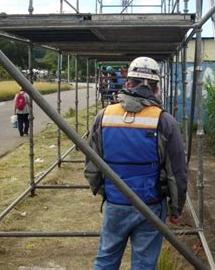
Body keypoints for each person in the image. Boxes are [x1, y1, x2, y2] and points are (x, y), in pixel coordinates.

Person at [84, 56, 187, 270]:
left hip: (115, 203)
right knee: (144, 264)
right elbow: (176, 172)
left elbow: (92, 165)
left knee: (105, 260)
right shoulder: (165, 121)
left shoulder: (103, 116)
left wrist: (104, 191)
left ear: (127, 83)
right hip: (150, 205)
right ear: (157, 88)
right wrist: (176, 208)